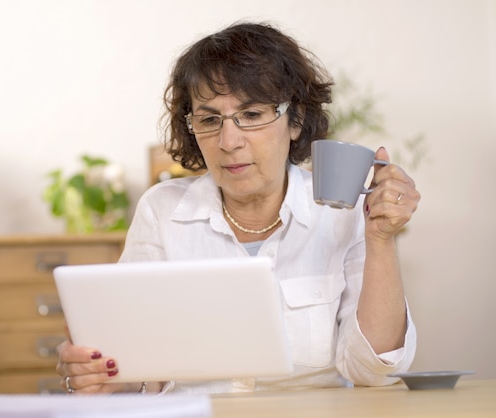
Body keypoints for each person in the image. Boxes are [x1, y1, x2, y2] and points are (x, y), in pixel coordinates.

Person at [56, 21, 420, 395]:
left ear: (294, 120)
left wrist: (380, 238)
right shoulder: (161, 211)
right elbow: (139, 369)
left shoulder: (342, 213)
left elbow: (372, 371)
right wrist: (102, 376)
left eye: (251, 115)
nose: (229, 141)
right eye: (210, 119)